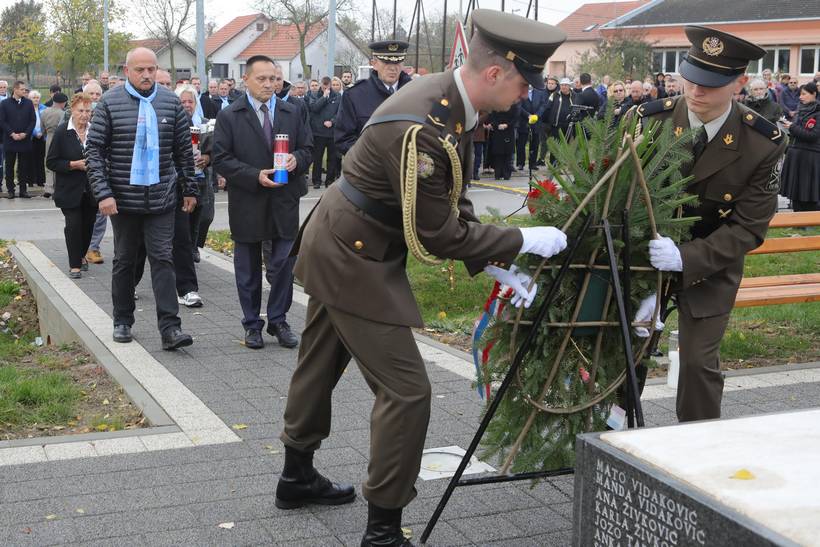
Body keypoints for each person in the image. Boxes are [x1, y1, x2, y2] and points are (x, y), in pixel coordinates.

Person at [277, 11, 568, 545]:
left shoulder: (451, 103)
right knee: (408, 393)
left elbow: (452, 198)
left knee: (320, 359)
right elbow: (438, 234)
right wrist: (522, 240)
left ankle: (296, 477)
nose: (527, 97)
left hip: (347, 237)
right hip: (353, 253)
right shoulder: (424, 127)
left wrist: (494, 261)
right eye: (524, 83)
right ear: (496, 72)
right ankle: (383, 529)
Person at [634, 26, 787, 423]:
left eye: (711, 83)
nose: (696, 91)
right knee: (622, 350)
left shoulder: (762, 142)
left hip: (709, 264)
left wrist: (684, 258)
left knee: (700, 365)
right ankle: (612, 439)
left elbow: (748, 228)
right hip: (642, 257)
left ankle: (697, 446)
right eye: (692, 77)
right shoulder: (650, 122)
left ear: (739, 82)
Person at [85, 46, 197, 350]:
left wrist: (189, 189)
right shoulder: (109, 103)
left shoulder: (170, 103)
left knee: (163, 258)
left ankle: (170, 329)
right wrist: (103, 193)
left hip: (162, 198)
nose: (147, 75)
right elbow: (94, 151)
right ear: (127, 72)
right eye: (140, 70)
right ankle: (122, 320)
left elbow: (184, 152)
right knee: (125, 260)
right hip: (122, 199)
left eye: (151, 69)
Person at [212, 56, 313, 350]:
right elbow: (222, 159)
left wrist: (298, 159)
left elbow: (308, 147)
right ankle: (252, 324)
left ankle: (279, 320)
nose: (269, 84)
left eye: (274, 79)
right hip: (249, 200)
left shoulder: (292, 111)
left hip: (284, 200)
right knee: (248, 268)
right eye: (262, 79)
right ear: (246, 79)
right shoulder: (231, 115)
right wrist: (254, 175)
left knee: (284, 263)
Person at [46, 93, 96, 278]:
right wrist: (73, 164)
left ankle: (82, 255)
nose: (84, 115)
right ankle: (74, 264)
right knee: (73, 225)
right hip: (69, 190)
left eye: (87, 111)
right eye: (80, 111)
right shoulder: (62, 132)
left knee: (88, 225)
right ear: (72, 111)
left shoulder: (95, 131)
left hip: (92, 189)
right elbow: (51, 162)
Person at [334, 40, 412, 155]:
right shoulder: (355, 95)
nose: (393, 68)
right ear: (374, 64)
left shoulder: (414, 92)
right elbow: (343, 139)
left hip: (406, 168)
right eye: (387, 63)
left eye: (397, 63)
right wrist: (370, 158)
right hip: (369, 168)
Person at [780, 82, 819, 212]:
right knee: (796, 191)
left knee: (808, 192)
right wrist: (788, 127)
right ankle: (797, 222)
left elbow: (812, 135)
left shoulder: (817, 112)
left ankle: (809, 222)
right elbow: (797, 131)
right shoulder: (801, 109)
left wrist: (791, 127)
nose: (800, 97)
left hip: (810, 156)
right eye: (800, 94)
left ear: (814, 94)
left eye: (804, 94)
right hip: (796, 153)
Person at [0, 81, 36, 199]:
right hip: (10, 140)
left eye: (25, 90)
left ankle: (23, 190)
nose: (24, 91)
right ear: (15, 89)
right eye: (22, 89)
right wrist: (11, 133)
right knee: (9, 166)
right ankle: (10, 190)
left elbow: (32, 120)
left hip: (24, 140)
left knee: (23, 166)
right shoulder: (5, 104)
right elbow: (2, 121)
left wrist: (26, 133)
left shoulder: (29, 103)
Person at [308, 76, 342, 188]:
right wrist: (323, 97)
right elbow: (314, 108)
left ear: (330, 84)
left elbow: (340, 112)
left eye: (327, 85)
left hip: (332, 132)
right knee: (317, 158)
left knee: (332, 158)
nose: (325, 87)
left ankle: (330, 180)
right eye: (324, 85)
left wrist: (332, 121)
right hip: (318, 132)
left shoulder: (337, 96)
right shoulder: (313, 95)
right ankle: (316, 181)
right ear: (321, 84)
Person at [41, 92, 69, 199]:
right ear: (63, 103)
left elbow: (42, 128)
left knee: (48, 162)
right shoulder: (63, 114)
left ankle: (48, 187)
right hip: (60, 139)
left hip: (49, 137)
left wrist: (46, 134)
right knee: (59, 162)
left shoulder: (44, 112)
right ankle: (57, 187)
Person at [515, 84, 547, 171]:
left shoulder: (540, 93)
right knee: (521, 143)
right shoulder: (520, 92)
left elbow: (543, 105)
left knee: (535, 143)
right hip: (524, 121)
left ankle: (532, 163)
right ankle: (520, 163)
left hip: (536, 122)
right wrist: (528, 115)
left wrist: (537, 115)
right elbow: (518, 106)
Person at [544, 77, 575, 157]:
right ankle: (554, 166)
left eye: (565, 85)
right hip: (556, 126)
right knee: (555, 147)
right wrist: (547, 123)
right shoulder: (554, 95)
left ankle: (563, 166)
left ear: (569, 86)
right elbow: (547, 108)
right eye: (562, 85)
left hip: (568, 127)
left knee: (566, 147)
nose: (563, 87)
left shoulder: (574, 96)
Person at [488, 104, 518, 179]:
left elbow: (515, 117)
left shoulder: (513, 105)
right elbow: (492, 116)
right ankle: (498, 173)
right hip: (498, 131)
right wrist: (497, 125)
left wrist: (507, 125)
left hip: (509, 131)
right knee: (498, 154)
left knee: (508, 154)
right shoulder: (496, 104)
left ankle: (506, 174)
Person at [537, 76, 559, 165]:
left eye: (552, 83)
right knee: (543, 142)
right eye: (549, 83)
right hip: (543, 121)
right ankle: (541, 159)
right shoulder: (543, 92)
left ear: (556, 84)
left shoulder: (558, 94)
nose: (550, 85)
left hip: (554, 122)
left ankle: (553, 161)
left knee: (554, 142)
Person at [29, 90, 47, 189]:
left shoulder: (44, 108)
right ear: (30, 99)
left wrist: (42, 133)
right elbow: (26, 123)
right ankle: (31, 180)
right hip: (31, 137)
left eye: (37, 98)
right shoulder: (27, 109)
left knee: (40, 159)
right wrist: (35, 133)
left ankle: (41, 180)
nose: (36, 99)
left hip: (42, 137)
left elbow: (46, 122)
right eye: (33, 98)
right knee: (31, 159)